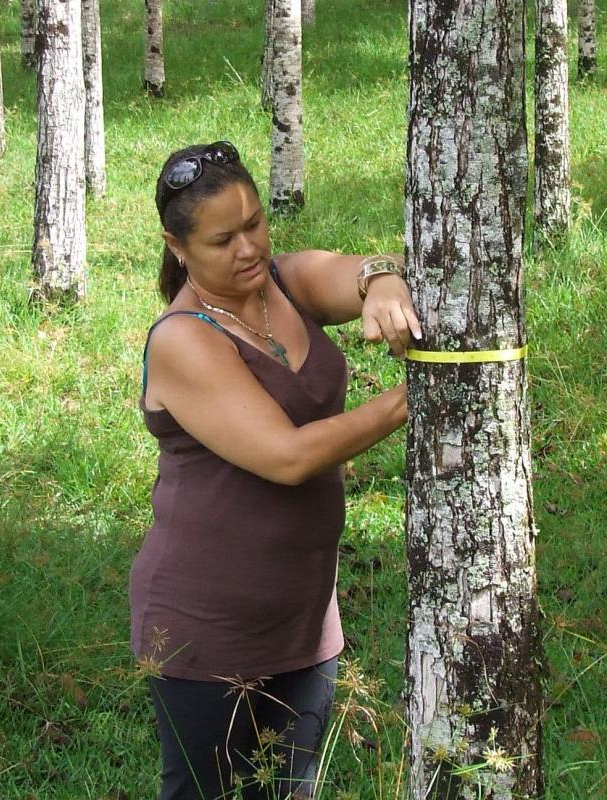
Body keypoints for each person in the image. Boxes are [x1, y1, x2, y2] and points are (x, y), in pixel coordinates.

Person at [130, 141, 421, 800]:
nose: (249, 249)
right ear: (178, 248)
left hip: (304, 613)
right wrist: (409, 400)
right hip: (204, 621)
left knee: (293, 792)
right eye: (222, 239)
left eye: (255, 223)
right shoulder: (183, 338)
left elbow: (366, 268)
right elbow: (287, 457)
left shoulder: (285, 282)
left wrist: (383, 280)